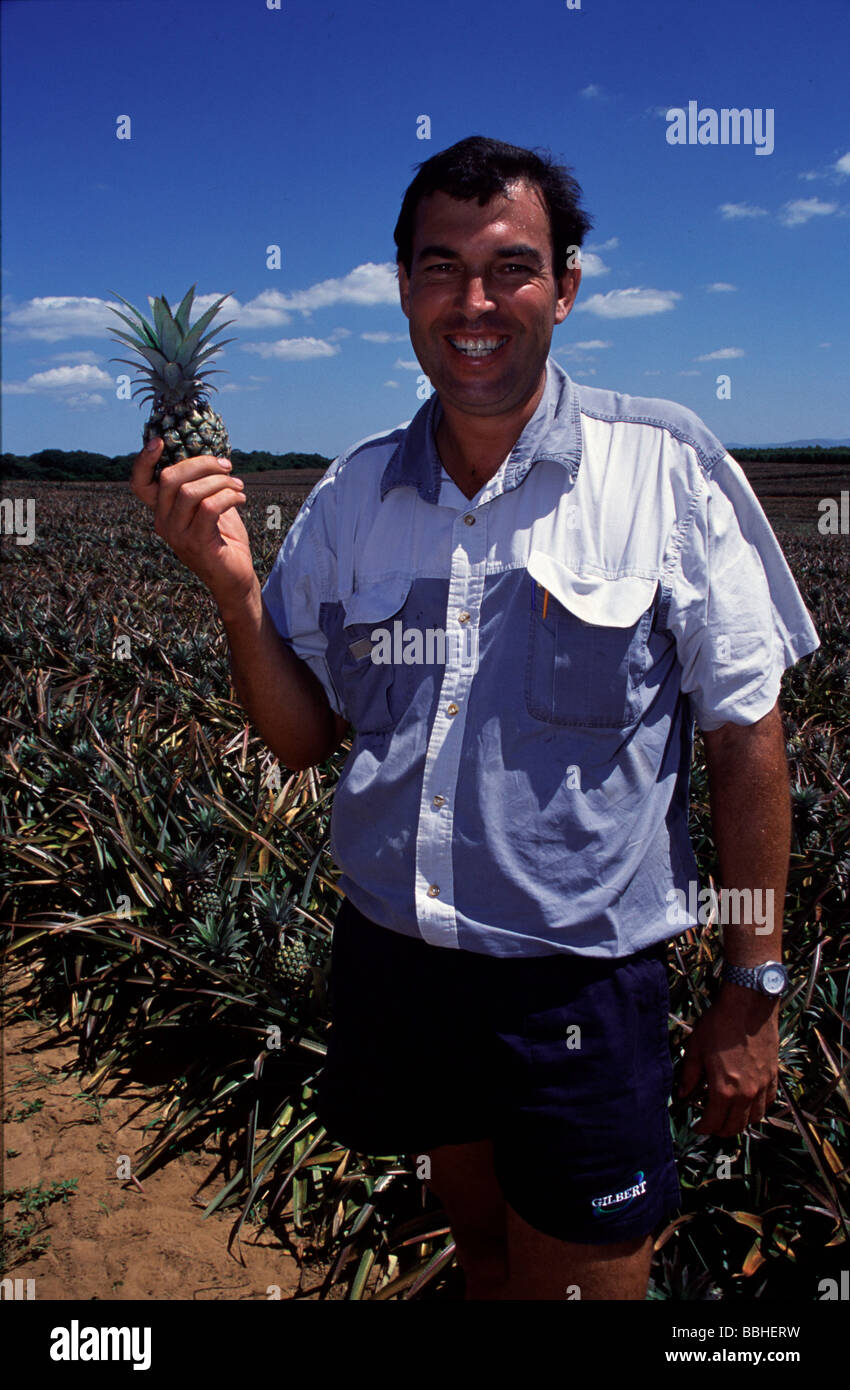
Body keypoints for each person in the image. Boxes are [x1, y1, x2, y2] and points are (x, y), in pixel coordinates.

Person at [131, 135, 820, 1301]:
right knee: (485, 1249)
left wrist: (752, 986)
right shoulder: (354, 494)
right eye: (441, 267)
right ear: (402, 286)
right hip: (403, 965)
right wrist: (237, 594)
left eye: (511, 266)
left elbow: (746, 741)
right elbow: (304, 740)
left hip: (579, 988)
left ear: (565, 286)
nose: (475, 301)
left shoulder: (663, 465)